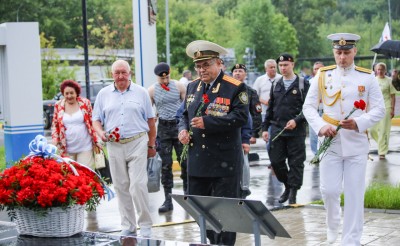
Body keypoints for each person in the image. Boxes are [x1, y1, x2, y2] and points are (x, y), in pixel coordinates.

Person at [303, 33, 385, 245]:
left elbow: (380, 110)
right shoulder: (322, 75)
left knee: (354, 194)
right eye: (338, 53)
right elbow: (308, 107)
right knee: (329, 191)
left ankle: (351, 240)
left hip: (356, 143)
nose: (342, 57)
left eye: (347, 52)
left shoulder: (367, 77)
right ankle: (332, 228)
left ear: (355, 52)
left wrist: (359, 122)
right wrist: (321, 126)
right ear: (334, 52)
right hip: (330, 143)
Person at [178, 40, 249, 245]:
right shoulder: (192, 87)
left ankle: (224, 243)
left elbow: (241, 117)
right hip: (198, 160)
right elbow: (182, 114)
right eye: (198, 66)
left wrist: (208, 122)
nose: (202, 70)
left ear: (219, 63)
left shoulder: (234, 87)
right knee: (198, 207)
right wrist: (182, 130)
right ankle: (212, 240)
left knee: (226, 213)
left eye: (206, 65)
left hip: (223, 161)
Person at [92, 59, 155, 238]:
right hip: (114, 144)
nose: (120, 76)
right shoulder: (103, 94)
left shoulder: (141, 92)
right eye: (117, 73)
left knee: (137, 185)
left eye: (124, 72)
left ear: (130, 73)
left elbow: (151, 121)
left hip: (137, 142)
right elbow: (96, 119)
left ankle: (145, 224)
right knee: (121, 186)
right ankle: (128, 225)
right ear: (112, 75)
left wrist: (151, 144)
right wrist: (100, 132)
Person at [261, 53, 309, 205]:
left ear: (292, 65)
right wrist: (264, 128)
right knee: (276, 161)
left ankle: (293, 192)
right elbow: (270, 108)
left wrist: (297, 120)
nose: (282, 68)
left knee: (296, 162)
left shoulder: (302, 84)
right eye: (280, 65)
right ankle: (288, 185)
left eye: (285, 65)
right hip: (277, 129)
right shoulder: (276, 84)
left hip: (296, 130)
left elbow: (309, 108)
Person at [148, 62, 187, 212]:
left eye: (167, 77)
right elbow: (148, 112)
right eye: (161, 78)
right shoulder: (151, 90)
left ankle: (187, 197)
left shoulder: (179, 86)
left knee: (184, 162)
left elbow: (186, 108)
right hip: (163, 128)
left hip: (178, 126)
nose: (165, 81)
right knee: (166, 165)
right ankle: (168, 200)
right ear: (157, 77)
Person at [51, 79, 102, 168]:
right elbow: (55, 125)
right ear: (63, 94)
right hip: (66, 149)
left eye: (72, 93)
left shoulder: (85, 103)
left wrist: (97, 140)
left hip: (85, 147)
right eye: (66, 93)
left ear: (76, 93)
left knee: (85, 174)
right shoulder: (58, 105)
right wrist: (55, 141)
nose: (69, 96)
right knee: (70, 177)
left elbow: (92, 122)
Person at [370, 62, 396, 159]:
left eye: (382, 69)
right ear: (376, 70)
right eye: (378, 69)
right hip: (375, 108)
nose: (380, 71)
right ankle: (382, 144)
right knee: (371, 129)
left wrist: (392, 109)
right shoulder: (373, 80)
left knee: (384, 130)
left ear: (385, 70)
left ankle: (382, 152)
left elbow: (393, 96)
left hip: (387, 107)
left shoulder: (389, 81)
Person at [231, 64, 262, 144]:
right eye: (235, 71)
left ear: (245, 74)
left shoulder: (251, 92)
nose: (237, 73)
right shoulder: (227, 90)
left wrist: (254, 134)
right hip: (230, 128)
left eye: (240, 71)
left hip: (245, 130)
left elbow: (256, 114)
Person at [308, 61, 325, 157]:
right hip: (314, 110)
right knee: (314, 133)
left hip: (325, 111)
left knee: (326, 133)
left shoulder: (330, 81)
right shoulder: (309, 82)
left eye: (320, 68)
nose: (317, 70)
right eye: (315, 68)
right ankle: (316, 155)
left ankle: (325, 153)